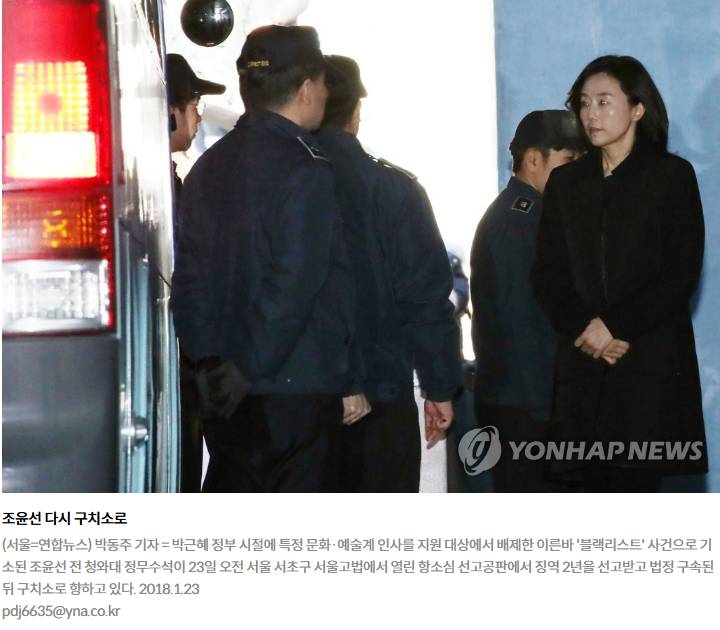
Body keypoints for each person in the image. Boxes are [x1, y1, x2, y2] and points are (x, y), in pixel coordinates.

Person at [171, 25, 359, 492]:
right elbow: (294, 284)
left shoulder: (206, 167)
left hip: (223, 393)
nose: (325, 93)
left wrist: (210, 363)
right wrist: (247, 367)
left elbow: (188, 279)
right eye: (323, 83)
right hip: (294, 388)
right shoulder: (305, 168)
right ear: (307, 88)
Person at [530, 55, 707, 492]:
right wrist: (587, 329)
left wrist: (613, 326)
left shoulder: (671, 177)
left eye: (605, 102)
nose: (591, 114)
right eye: (584, 103)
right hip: (584, 365)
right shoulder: (566, 183)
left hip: (646, 366)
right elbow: (547, 274)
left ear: (638, 108)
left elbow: (680, 272)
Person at [315, 55, 463, 492]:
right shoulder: (393, 188)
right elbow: (424, 297)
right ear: (356, 110)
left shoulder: (279, 181)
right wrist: (439, 387)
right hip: (381, 396)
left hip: (296, 397)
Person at [470, 110, 582, 492]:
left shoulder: (535, 216)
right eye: (569, 160)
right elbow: (521, 323)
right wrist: (546, 411)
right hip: (526, 405)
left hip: (531, 400)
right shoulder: (518, 222)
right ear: (534, 159)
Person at [166, 53, 226, 493]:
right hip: (182, 372)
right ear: (170, 112)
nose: (199, 117)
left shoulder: (172, 181)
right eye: (194, 106)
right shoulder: (169, 188)